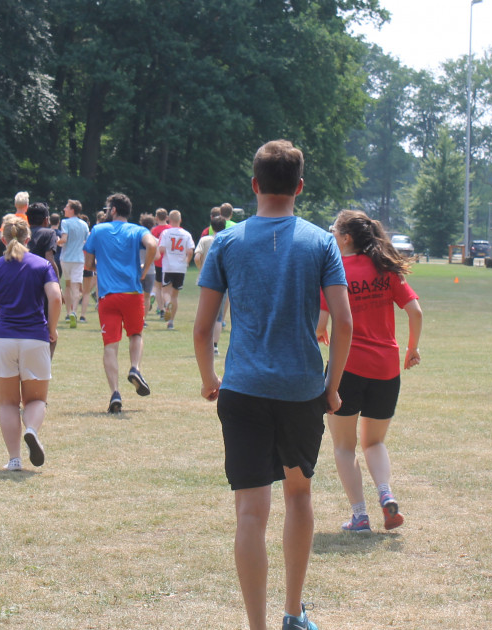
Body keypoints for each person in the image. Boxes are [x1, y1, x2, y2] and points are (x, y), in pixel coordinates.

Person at [193, 140, 352, 630]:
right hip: (302, 389)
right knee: (298, 496)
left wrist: (209, 379)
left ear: (255, 185)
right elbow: (343, 323)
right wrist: (332, 384)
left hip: (242, 389)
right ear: (300, 187)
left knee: (249, 513)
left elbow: (202, 328)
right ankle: (292, 612)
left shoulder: (225, 242)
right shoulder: (320, 242)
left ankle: (256, 625)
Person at [317, 210, 423, 533]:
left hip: (347, 367)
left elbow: (321, 324)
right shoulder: (386, 268)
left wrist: (323, 332)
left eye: (334, 230)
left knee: (343, 446)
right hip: (387, 368)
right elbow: (415, 311)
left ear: (346, 238)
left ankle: (360, 516)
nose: (331, 235)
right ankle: (386, 494)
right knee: (374, 443)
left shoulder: (335, 269)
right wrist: (412, 348)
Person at [0, 214, 62, 470]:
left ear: (2, 239)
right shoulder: (42, 265)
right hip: (35, 337)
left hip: (3, 338)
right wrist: (52, 328)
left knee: (7, 403)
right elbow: (56, 298)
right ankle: (33, 431)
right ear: (29, 238)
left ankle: (14, 459)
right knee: (36, 400)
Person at [83, 193, 158, 414]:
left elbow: (88, 264)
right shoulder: (137, 230)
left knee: (110, 346)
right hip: (132, 292)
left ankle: (115, 392)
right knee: (135, 334)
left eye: (108, 208)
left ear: (114, 210)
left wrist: (103, 266)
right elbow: (152, 244)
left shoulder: (98, 230)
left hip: (108, 295)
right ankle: (135, 368)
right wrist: (144, 270)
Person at [192, 213, 226, 354]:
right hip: (224, 280)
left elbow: (197, 257)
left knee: (206, 313)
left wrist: (201, 268)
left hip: (206, 280)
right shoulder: (227, 239)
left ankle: (204, 345)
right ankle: (215, 346)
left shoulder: (205, 240)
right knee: (219, 316)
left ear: (211, 227)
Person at [157, 209, 194, 329]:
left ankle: (167, 304)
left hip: (168, 266)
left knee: (165, 292)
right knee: (175, 295)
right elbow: (190, 251)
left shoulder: (166, 233)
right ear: (180, 220)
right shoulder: (187, 234)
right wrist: (187, 262)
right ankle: (171, 322)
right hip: (180, 267)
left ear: (169, 220)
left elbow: (161, 249)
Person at [59, 200, 91, 327]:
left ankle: (67, 313)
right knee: (76, 287)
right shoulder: (84, 224)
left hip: (66, 258)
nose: (65, 209)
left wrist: (57, 241)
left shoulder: (65, 222)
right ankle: (74, 312)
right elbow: (88, 243)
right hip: (78, 259)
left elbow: (64, 239)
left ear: (72, 210)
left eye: (67, 207)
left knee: (67, 285)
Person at [149, 208, 171, 317]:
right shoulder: (170, 229)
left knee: (157, 286)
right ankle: (167, 304)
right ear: (167, 217)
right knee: (166, 287)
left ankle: (161, 309)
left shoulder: (154, 230)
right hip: (169, 261)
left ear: (156, 218)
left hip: (157, 261)